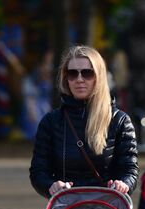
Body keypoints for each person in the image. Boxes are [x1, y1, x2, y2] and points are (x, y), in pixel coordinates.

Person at [30, 45, 138, 198]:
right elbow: (38, 171)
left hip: (107, 207)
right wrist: (51, 185)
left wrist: (123, 184)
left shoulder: (120, 121)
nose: (79, 79)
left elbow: (130, 169)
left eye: (87, 73)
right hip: (66, 207)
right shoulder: (51, 122)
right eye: (72, 74)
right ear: (66, 78)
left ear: (99, 77)